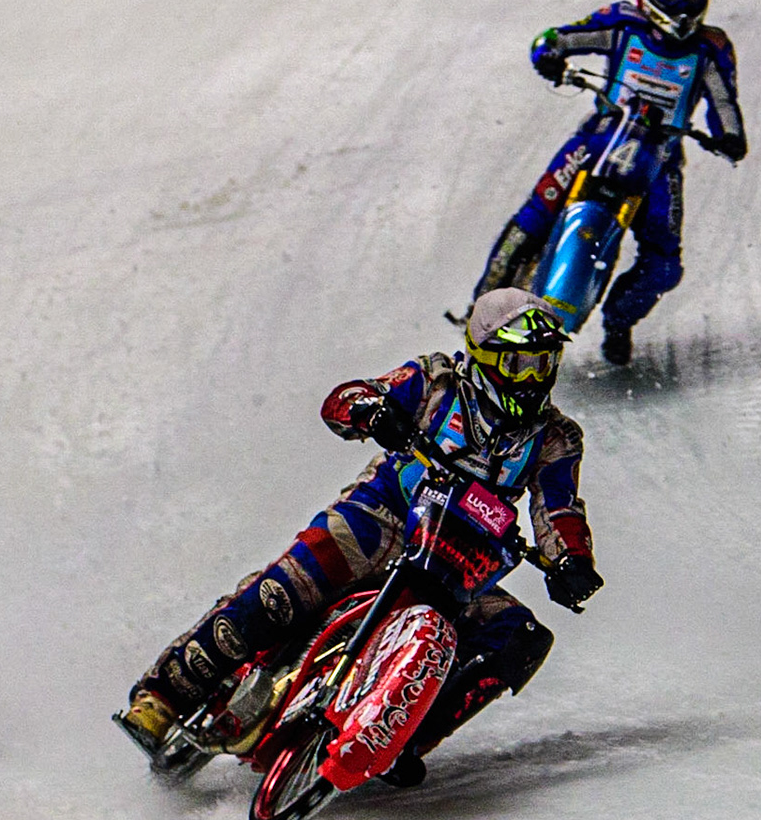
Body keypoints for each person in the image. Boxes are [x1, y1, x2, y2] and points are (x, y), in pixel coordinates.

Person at [116, 287, 602, 788]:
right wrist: (370, 410)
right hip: (379, 519)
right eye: (520, 362)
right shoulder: (436, 380)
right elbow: (345, 398)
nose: (532, 378)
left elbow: (558, 505)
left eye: (545, 363)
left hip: (459, 562)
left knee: (519, 637)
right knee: (281, 592)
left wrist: (571, 560)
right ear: (483, 354)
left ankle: (402, 738)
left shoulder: (556, 437)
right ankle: (164, 697)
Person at [477, 0, 748, 367]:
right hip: (600, 138)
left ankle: (619, 322)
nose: (680, 5)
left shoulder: (710, 48)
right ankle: (482, 302)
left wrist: (730, 137)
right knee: (536, 214)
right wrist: (548, 55)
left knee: (664, 264)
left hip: (661, 161)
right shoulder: (623, 23)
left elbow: (724, 101)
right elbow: (557, 38)